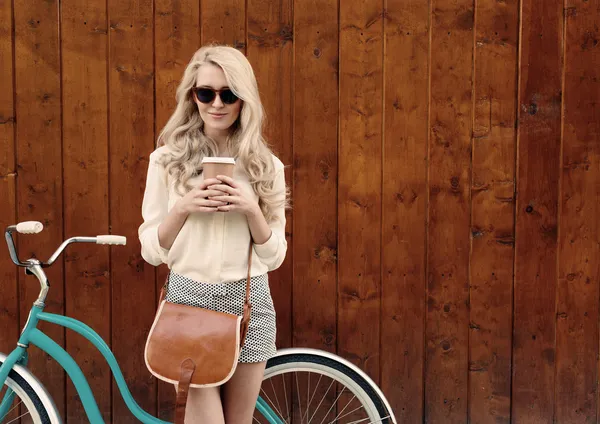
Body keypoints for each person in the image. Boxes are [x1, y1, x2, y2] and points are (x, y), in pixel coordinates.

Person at [138, 44, 288, 424]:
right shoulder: (166, 161)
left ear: (244, 100)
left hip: (249, 305)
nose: (216, 104)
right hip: (189, 299)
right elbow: (151, 250)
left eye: (228, 94)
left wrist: (250, 207)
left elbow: (274, 257)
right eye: (206, 93)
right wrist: (185, 207)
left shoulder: (266, 167)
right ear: (193, 96)